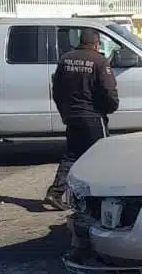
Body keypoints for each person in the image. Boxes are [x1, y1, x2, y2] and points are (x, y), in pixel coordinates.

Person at [44, 28, 119, 210]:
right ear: (96, 43)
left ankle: (55, 192)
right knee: (102, 155)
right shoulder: (99, 61)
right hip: (93, 116)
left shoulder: (65, 59)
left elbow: (56, 90)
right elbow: (108, 90)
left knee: (73, 154)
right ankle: (101, 196)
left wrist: (65, 112)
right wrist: (111, 107)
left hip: (72, 115)